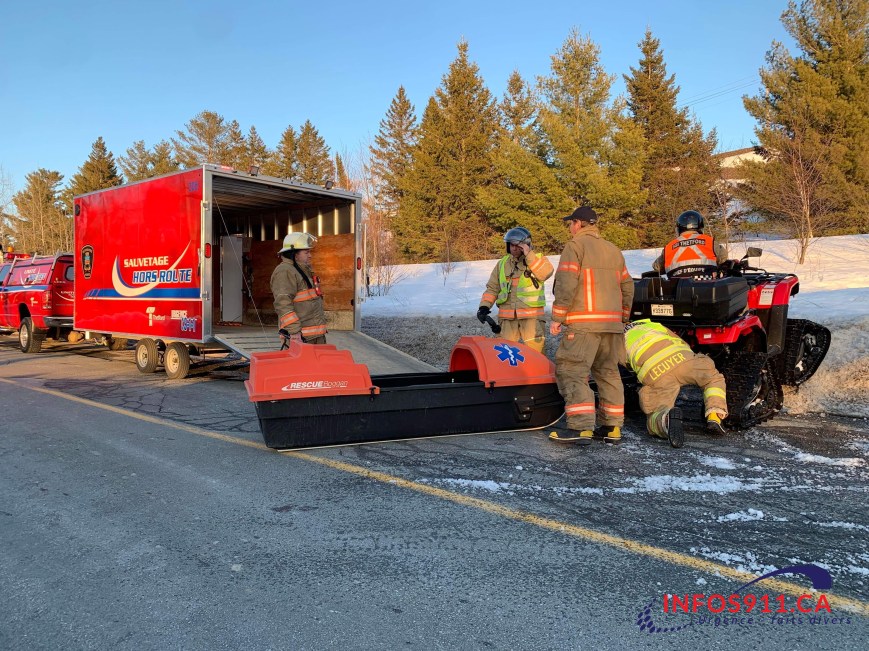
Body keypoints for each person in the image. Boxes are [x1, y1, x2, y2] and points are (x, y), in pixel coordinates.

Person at [548, 206, 634, 446]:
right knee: (608, 374)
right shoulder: (614, 250)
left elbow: (566, 284)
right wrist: (622, 318)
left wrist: (558, 317)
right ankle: (612, 428)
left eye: (570, 224)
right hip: (611, 326)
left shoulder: (575, 247)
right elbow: (628, 287)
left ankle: (581, 427)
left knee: (571, 371)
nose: (569, 228)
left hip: (584, 324)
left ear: (579, 223)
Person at [624, 319, 728, 448]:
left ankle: (666, 419)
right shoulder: (651, 325)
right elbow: (680, 341)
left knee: (654, 412)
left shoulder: (616, 337)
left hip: (656, 373)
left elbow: (617, 366)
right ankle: (714, 415)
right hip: (684, 359)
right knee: (713, 379)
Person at [477, 227, 554, 353]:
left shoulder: (537, 259)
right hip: (507, 320)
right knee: (505, 357)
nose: (514, 248)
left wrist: (529, 255)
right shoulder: (502, 264)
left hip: (531, 320)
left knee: (535, 356)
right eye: (511, 245)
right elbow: (492, 288)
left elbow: (545, 273)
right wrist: (484, 307)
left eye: (517, 245)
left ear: (526, 245)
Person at [270, 232, 327, 346]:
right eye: (306, 252)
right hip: (300, 338)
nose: (310, 255)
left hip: (315, 337)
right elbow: (283, 304)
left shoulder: (301, 270)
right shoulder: (285, 271)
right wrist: (294, 332)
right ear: (295, 254)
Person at [652, 210, 728, 278]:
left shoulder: (669, 247)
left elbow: (656, 266)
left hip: (677, 290)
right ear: (700, 227)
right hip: (706, 287)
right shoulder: (708, 241)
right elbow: (723, 256)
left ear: (678, 229)